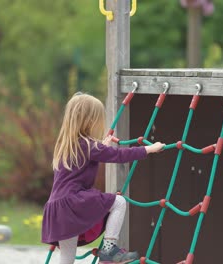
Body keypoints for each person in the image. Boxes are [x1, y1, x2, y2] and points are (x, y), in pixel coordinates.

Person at [41, 92, 165, 264]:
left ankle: (107, 252)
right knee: (119, 202)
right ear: (90, 121)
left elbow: (89, 158)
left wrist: (101, 147)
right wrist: (148, 150)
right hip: (72, 202)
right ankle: (108, 250)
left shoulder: (67, 145)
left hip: (57, 209)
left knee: (66, 259)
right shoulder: (88, 146)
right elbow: (119, 155)